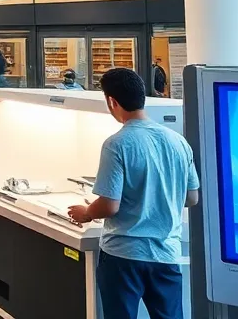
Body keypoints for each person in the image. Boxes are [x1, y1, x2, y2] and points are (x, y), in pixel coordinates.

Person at [68, 68, 200, 319]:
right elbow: (191, 197)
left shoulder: (117, 143)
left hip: (123, 255)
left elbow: (109, 205)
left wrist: (85, 213)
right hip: (166, 253)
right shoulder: (177, 141)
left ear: (112, 102)